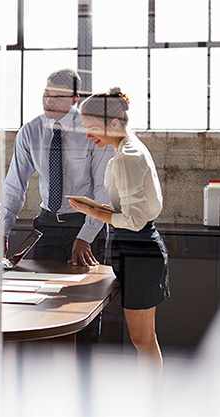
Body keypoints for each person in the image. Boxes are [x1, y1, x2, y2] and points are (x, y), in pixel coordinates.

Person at [69, 87, 169, 377]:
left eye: (91, 128)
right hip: (134, 247)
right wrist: (97, 207)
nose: (89, 136)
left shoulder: (127, 156)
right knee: (144, 339)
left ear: (113, 123)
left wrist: (92, 211)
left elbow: (135, 220)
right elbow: (128, 207)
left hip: (139, 248)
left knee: (143, 339)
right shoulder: (126, 148)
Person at [0, 68, 114, 266]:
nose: (49, 101)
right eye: (46, 94)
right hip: (47, 225)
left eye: (58, 96)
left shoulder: (92, 131)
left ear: (75, 98)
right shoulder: (30, 131)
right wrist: (2, 233)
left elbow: (104, 189)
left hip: (85, 223)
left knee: (84, 292)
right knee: (41, 286)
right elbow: (14, 186)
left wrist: (86, 236)